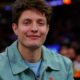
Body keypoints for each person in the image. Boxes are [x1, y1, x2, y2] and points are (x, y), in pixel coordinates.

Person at [0, 0, 74, 80]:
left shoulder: (65, 65)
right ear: (15, 28)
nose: (34, 29)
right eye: (27, 22)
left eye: (40, 23)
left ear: (47, 29)